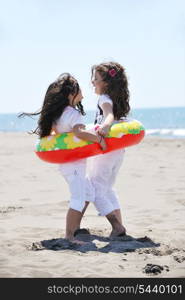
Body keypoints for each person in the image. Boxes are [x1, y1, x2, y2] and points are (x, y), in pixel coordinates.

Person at [19, 73, 106, 244]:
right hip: (74, 164)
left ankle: (75, 228)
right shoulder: (73, 114)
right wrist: (100, 139)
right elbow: (79, 133)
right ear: (71, 94)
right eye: (79, 88)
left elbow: (57, 133)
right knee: (78, 197)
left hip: (66, 163)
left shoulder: (59, 114)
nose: (83, 90)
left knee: (88, 192)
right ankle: (70, 235)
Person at [87, 62, 131, 237]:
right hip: (118, 150)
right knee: (108, 188)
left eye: (95, 79)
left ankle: (117, 227)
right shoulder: (117, 99)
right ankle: (119, 226)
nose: (92, 82)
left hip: (106, 150)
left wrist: (104, 126)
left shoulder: (104, 99)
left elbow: (109, 115)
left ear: (105, 83)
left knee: (95, 189)